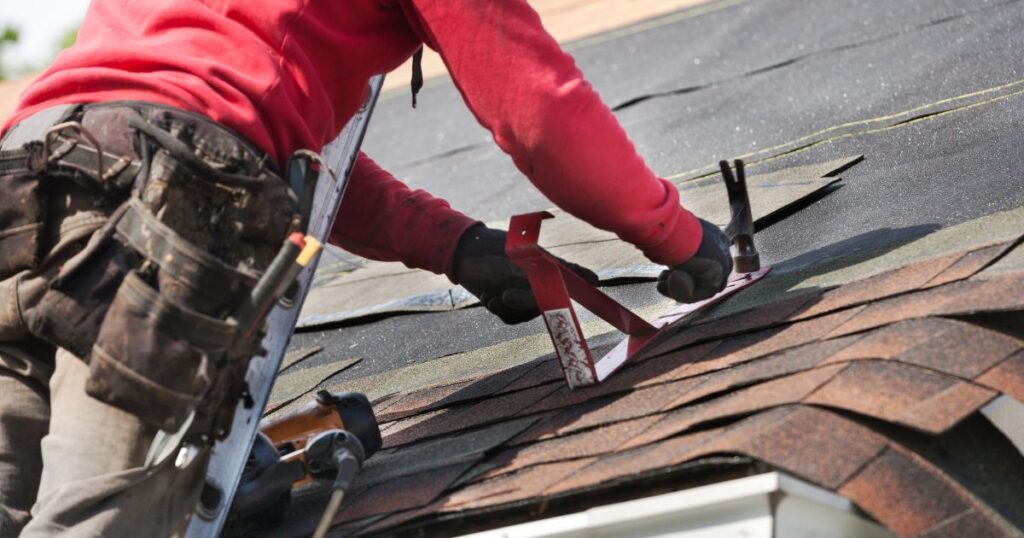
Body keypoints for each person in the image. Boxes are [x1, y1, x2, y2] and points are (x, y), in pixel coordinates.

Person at [0, 0, 733, 535]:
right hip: (172, 207)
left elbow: (244, 138)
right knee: (102, 520)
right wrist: (674, 233)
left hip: (27, 176)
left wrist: (454, 245)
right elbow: (539, 113)